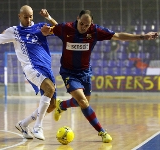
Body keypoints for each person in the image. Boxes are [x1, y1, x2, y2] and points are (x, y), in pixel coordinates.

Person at [41, 10, 159, 143]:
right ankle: (102, 132)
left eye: (87, 25)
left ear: (91, 23)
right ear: (77, 19)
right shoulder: (66, 28)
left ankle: (62, 105)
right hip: (69, 73)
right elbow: (51, 30)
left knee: (84, 102)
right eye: (81, 24)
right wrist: (46, 28)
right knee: (83, 102)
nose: (84, 27)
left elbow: (118, 36)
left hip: (85, 72)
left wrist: (143, 37)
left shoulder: (95, 31)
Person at [0, 5, 58, 141]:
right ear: (19, 16)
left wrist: (48, 18)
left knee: (52, 105)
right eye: (26, 17)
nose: (29, 19)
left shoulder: (40, 27)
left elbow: (61, 30)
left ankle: (24, 124)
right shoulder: (14, 31)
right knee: (50, 88)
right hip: (31, 68)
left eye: (31, 16)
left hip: (46, 69)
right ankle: (38, 127)